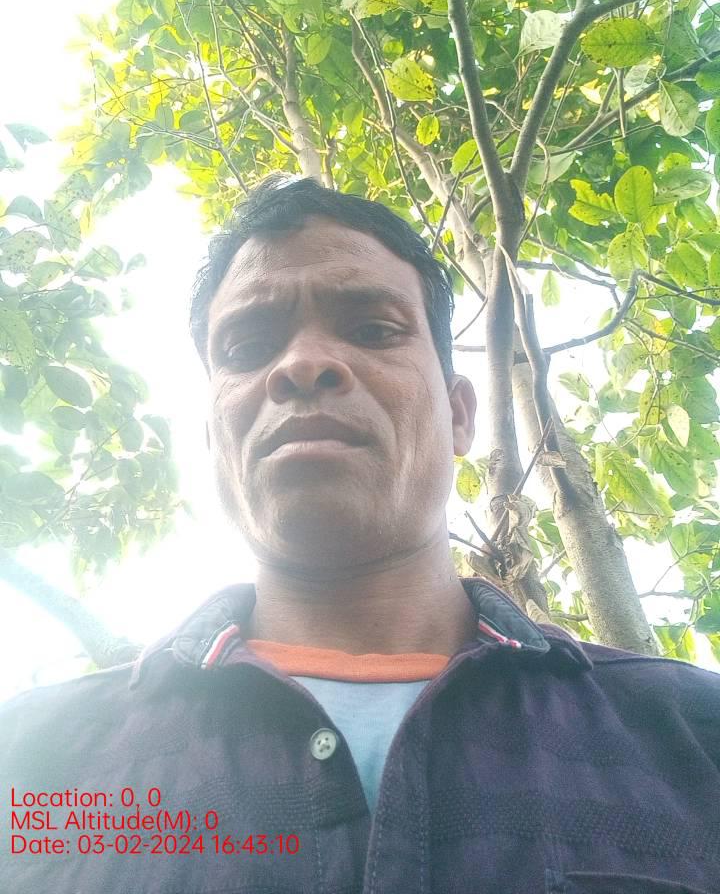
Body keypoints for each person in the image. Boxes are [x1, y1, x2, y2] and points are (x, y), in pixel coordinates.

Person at [2, 174, 720, 894]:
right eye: (248, 346)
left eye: (373, 329)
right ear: (213, 436)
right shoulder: (28, 762)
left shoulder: (696, 735)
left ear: (459, 414)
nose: (301, 364)